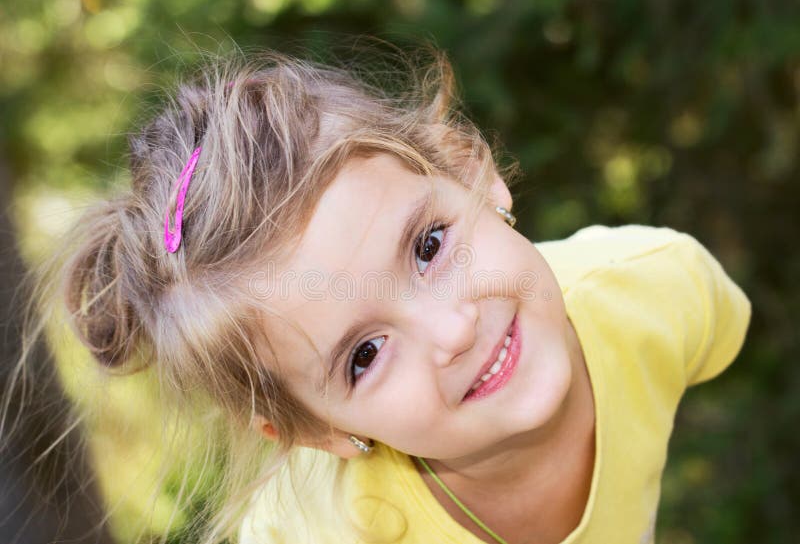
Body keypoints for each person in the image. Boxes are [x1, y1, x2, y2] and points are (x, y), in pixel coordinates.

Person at [6, 46, 752, 544]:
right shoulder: (326, 532)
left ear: (468, 169)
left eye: (428, 246)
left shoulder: (661, 285)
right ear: (316, 430)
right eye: (364, 355)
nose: (451, 330)